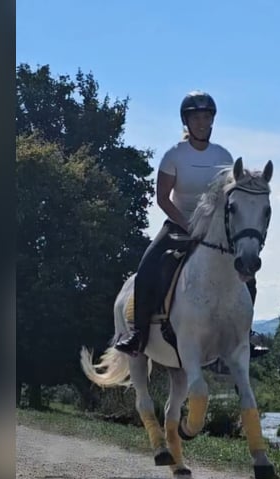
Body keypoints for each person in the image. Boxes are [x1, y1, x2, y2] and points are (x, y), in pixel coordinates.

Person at [114, 91, 269, 358]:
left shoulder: (223, 155)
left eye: (206, 117)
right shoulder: (174, 155)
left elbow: (230, 197)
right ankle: (138, 334)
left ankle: (244, 334)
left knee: (247, 273)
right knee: (148, 266)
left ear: (212, 120)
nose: (201, 122)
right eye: (196, 117)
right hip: (178, 225)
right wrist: (186, 224)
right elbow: (162, 198)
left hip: (214, 230)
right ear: (186, 121)